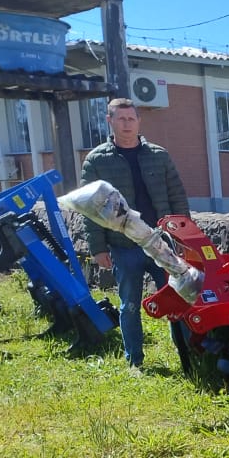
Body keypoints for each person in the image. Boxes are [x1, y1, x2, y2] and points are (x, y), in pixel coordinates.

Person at [80, 97, 189, 369]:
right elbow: (90, 208)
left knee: (179, 299)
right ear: (110, 121)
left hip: (161, 242)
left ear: (139, 121)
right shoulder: (96, 160)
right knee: (129, 304)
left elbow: (177, 195)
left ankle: (189, 357)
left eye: (131, 118)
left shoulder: (159, 155)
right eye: (121, 118)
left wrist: (185, 235)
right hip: (123, 244)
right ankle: (135, 362)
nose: (127, 124)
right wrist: (98, 248)